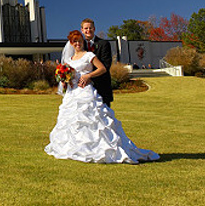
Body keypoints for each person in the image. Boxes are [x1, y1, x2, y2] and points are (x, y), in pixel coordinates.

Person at [45, 30, 158, 164]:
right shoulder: (68, 61)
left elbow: (102, 68)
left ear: (83, 42)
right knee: (72, 122)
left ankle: (98, 148)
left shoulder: (89, 55)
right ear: (71, 43)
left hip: (85, 92)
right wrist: (64, 80)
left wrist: (88, 76)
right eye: (74, 42)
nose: (77, 44)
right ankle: (76, 148)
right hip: (72, 93)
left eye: (79, 41)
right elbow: (67, 76)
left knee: (91, 120)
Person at [60, 18, 113, 107]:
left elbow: (106, 66)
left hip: (101, 86)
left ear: (94, 29)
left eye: (90, 28)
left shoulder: (103, 44)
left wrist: (89, 76)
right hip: (79, 88)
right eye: (86, 28)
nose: (88, 30)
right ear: (82, 30)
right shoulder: (78, 44)